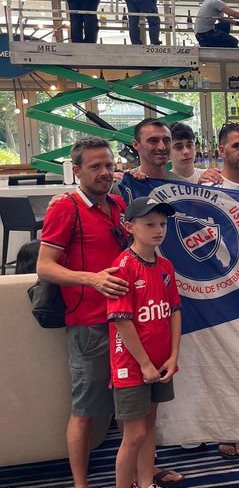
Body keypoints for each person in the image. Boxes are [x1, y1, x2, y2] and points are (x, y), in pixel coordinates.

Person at [36, 137, 128, 488]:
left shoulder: (117, 204)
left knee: (131, 407)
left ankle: (137, 473)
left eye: (109, 165)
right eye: (95, 167)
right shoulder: (65, 207)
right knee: (85, 410)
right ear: (77, 171)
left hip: (126, 322)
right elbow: (45, 266)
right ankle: (80, 484)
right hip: (89, 324)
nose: (105, 172)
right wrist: (92, 279)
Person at [107, 197, 181, 488]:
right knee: (134, 433)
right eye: (149, 224)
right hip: (132, 365)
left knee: (150, 426)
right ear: (130, 227)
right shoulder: (122, 267)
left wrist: (173, 356)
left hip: (160, 362)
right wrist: (145, 364)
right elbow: (121, 320)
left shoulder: (165, 266)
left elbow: (174, 310)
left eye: (162, 223)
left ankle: (147, 482)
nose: (158, 230)